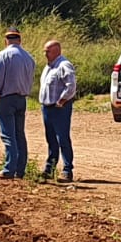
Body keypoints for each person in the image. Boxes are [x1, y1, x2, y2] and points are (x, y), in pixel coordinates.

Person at [0, 26, 36, 179]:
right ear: (19, 40)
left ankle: (9, 168)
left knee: (8, 135)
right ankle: (20, 169)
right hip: (22, 98)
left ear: (6, 40)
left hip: (6, 99)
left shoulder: (3, 55)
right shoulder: (29, 57)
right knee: (19, 134)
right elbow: (30, 81)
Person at [38, 39, 78, 182]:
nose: (45, 53)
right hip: (47, 108)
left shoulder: (64, 65)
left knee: (62, 138)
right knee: (51, 139)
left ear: (56, 51)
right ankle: (50, 169)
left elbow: (71, 86)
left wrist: (62, 100)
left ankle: (67, 170)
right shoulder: (49, 67)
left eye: (47, 51)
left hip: (59, 108)